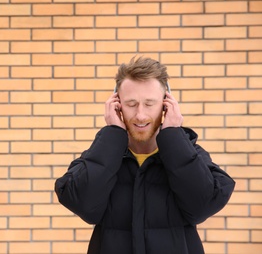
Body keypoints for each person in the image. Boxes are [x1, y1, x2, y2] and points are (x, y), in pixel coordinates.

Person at [54, 56, 235, 254]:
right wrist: (113, 133)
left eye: (150, 104)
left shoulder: (188, 153)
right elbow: (83, 204)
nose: (140, 115)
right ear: (117, 105)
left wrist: (173, 136)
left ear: (166, 104)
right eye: (131, 104)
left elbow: (202, 206)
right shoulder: (104, 153)